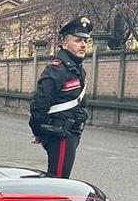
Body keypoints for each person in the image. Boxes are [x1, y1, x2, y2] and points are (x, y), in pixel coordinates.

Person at [29, 16, 92, 179]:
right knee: (58, 183)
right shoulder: (57, 70)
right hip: (60, 135)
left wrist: (82, 114)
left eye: (85, 41)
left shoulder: (76, 69)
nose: (83, 45)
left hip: (71, 133)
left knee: (59, 181)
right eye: (78, 40)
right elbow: (39, 105)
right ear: (64, 44)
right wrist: (39, 132)